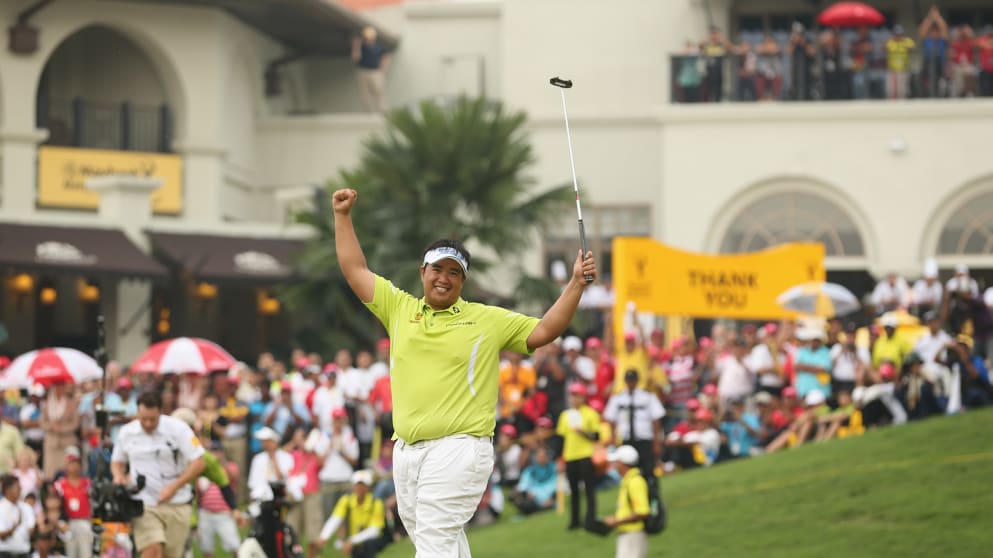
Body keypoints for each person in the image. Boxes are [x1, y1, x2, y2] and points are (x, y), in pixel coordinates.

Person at [331, 187, 596, 557]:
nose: (444, 277)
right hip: (405, 451)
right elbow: (355, 268)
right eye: (437, 268)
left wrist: (574, 285)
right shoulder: (399, 308)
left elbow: (544, 331)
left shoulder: (484, 319)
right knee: (440, 542)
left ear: (463, 281)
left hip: (459, 448)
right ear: (422, 272)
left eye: (454, 272)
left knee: (435, 544)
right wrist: (343, 217)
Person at [110, 391, 205, 558]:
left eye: (152, 419)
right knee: (152, 551)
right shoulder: (127, 432)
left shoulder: (178, 429)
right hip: (144, 503)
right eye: (143, 418)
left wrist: (174, 487)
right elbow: (117, 461)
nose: (147, 423)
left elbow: (199, 462)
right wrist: (118, 476)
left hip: (177, 503)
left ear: (160, 412)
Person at [603, 370, 664, 478]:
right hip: (626, 439)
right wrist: (614, 437)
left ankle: (653, 494)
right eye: (628, 380)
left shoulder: (648, 396)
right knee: (629, 471)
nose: (630, 382)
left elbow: (656, 420)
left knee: (648, 470)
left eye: (632, 380)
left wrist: (657, 441)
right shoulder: (618, 398)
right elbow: (611, 418)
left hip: (644, 439)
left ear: (637, 380)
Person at [557, 383, 602, 531]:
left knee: (589, 489)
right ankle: (575, 520)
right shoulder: (565, 415)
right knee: (574, 491)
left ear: (583, 397)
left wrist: (583, 433)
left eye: (577, 395)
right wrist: (560, 458)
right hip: (570, 456)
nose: (574, 398)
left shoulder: (590, 413)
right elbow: (561, 439)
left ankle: (591, 517)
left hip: (586, 454)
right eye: (572, 395)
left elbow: (596, 435)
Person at [317, 470, 386, 558]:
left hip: (373, 541)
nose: (360, 488)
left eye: (363, 485)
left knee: (369, 545)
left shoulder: (376, 503)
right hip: (354, 541)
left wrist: (352, 540)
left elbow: (374, 531)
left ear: (369, 487)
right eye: (358, 484)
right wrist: (324, 536)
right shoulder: (346, 500)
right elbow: (336, 518)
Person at [602, 446, 650, 558]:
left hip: (633, 535)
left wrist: (618, 521)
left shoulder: (634, 482)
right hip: (628, 534)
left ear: (623, 463)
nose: (614, 465)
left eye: (616, 462)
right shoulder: (628, 481)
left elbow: (643, 512)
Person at [52, 451, 92, 558]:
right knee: (70, 554)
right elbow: (52, 502)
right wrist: (58, 521)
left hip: (84, 521)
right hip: (67, 523)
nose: (74, 466)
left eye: (77, 463)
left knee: (85, 553)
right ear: (66, 465)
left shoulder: (87, 483)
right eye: (72, 463)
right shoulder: (60, 484)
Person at [246, 427, 293, 502]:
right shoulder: (257, 459)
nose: (264, 444)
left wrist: (273, 459)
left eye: (267, 441)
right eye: (263, 441)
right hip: (260, 498)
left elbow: (283, 480)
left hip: (279, 498)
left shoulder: (286, 457)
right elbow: (253, 483)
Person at [351, 26, 390, 112]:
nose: (369, 39)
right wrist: (356, 46)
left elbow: (385, 57)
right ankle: (368, 112)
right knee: (364, 94)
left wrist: (383, 69)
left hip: (375, 72)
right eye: (367, 38)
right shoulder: (361, 47)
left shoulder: (379, 47)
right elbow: (355, 58)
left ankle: (383, 110)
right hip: (363, 72)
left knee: (379, 91)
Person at [0, 474, 34, 558]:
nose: (20, 490)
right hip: (5, 554)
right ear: (7, 490)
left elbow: (31, 529)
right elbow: (1, 535)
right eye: (17, 487)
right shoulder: (1, 507)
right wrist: (15, 527)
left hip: (24, 554)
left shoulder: (26, 507)